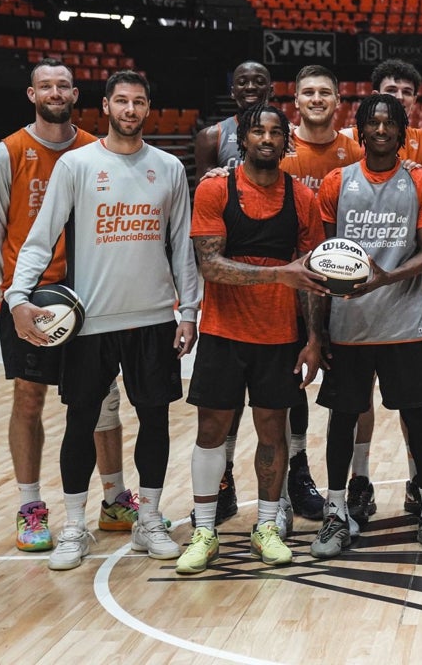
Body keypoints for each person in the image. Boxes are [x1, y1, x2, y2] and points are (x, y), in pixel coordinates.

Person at [7, 70, 200, 571]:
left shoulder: (169, 168)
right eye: (122, 101)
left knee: (155, 420)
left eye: (139, 101)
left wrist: (189, 310)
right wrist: (17, 297)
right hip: (90, 321)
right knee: (81, 423)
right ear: (105, 106)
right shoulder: (77, 165)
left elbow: (182, 246)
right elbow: (39, 236)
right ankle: (74, 526)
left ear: (148, 107)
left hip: (154, 318)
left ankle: (150, 520)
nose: (130, 110)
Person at [0, 59, 134, 552]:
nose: (55, 92)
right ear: (31, 94)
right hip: (35, 301)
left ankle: (113, 500)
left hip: (91, 297)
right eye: (46, 85)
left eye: (63, 85)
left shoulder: (95, 149)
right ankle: (29, 506)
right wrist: (16, 297)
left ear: (75, 92)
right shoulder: (7, 155)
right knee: (29, 398)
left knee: (103, 401)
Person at [177, 104, 327, 574]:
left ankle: (265, 524)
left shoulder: (302, 198)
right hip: (224, 332)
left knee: (272, 431)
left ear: (287, 142)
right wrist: (280, 274)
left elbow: (312, 276)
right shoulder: (215, 189)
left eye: (276, 132)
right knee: (210, 432)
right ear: (242, 139)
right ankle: (205, 529)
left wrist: (314, 340)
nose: (267, 138)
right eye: (258, 131)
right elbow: (211, 266)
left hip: (280, 335)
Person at [309, 94, 422, 558]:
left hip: (403, 324)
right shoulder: (337, 182)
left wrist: (388, 276)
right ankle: (336, 511)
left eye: (391, 124)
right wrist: (318, 331)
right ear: (362, 131)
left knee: (416, 417)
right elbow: (321, 259)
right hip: (348, 326)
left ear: (404, 132)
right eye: (373, 123)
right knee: (342, 419)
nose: (382, 130)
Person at [343, 59, 422, 523]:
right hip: (354, 294)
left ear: (416, 100)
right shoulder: (349, 146)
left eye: (407, 91)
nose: (400, 96)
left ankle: (416, 483)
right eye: (391, 89)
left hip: (410, 292)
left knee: (412, 398)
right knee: (358, 396)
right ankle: (361, 479)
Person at [278, 64, 364, 520]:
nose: (316, 99)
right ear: (296, 100)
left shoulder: (354, 151)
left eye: (324, 93)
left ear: (337, 102)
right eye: (307, 92)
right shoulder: (281, 149)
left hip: (342, 291)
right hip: (289, 291)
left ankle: (347, 485)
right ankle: (295, 471)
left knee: (343, 395)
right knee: (290, 390)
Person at [192, 59, 274, 526]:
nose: (249, 86)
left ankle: (288, 483)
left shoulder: (283, 134)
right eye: (241, 80)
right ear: (232, 86)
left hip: (273, 268)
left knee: (278, 404)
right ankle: (221, 480)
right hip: (228, 274)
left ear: (269, 88)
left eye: (258, 81)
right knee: (223, 407)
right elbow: (205, 198)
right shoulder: (211, 138)